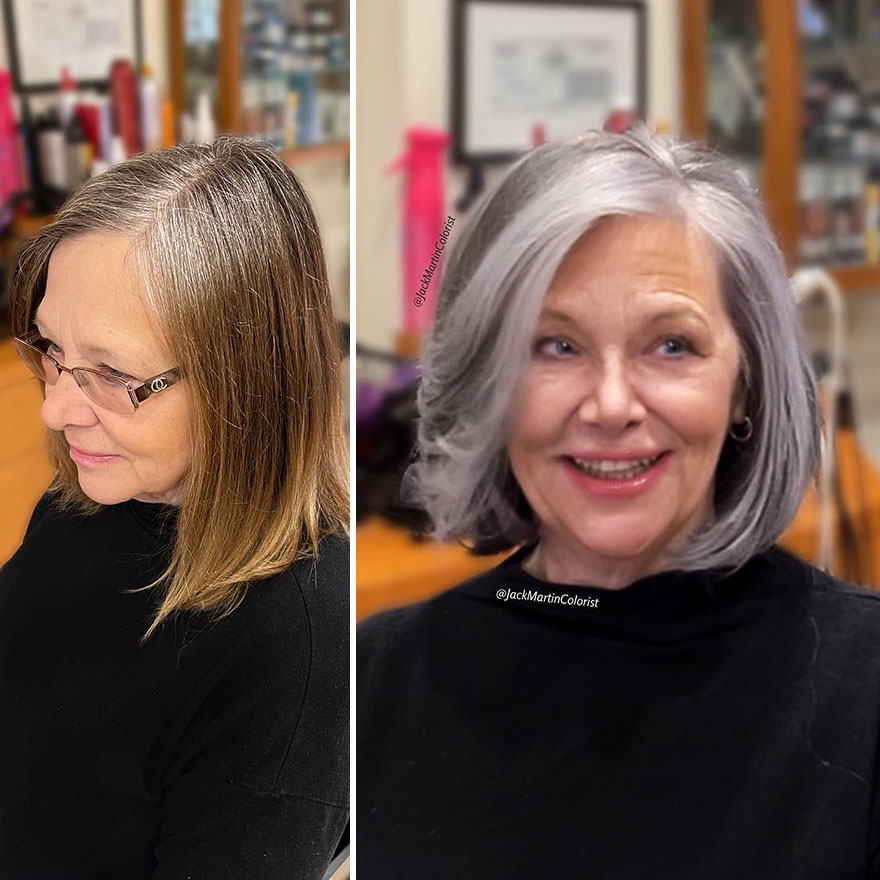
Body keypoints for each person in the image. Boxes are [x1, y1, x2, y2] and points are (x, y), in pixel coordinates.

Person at [357, 125, 880, 878]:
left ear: (745, 384)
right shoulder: (376, 680)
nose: (610, 406)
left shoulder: (864, 691)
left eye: (671, 345)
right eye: (556, 346)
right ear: (492, 386)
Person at [0, 136, 349, 879]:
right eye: (53, 350)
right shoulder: (95, 493)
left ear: (246, 381)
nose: (57, 409)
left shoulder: (295, 658)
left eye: (111, 372)